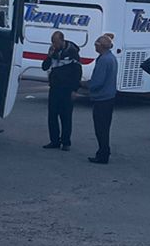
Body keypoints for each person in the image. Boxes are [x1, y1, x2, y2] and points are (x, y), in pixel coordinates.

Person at [40, 30, 82, 150]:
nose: (54, 45)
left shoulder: (72, 52)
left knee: (66, 116)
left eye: (56, 43)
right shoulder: (53, 51)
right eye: (53, 42)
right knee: (52, 115)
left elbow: (77, 72)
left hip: (67, 88)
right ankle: (54, 140)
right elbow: (44, 67)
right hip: (55, 87)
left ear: (62, 40)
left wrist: (75, 89)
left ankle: (66, 142)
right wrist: (49, 56)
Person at [86, 33, 118, 164]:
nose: (94, 46)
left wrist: (87, 85)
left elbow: (98, 81)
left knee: (101, 128)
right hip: (109, 96)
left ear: (101, 46)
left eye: (96, 44)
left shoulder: (103, 60)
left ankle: (103, 153)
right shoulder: (111, 58)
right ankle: (104, 151)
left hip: (102, 98)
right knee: (105, 127)